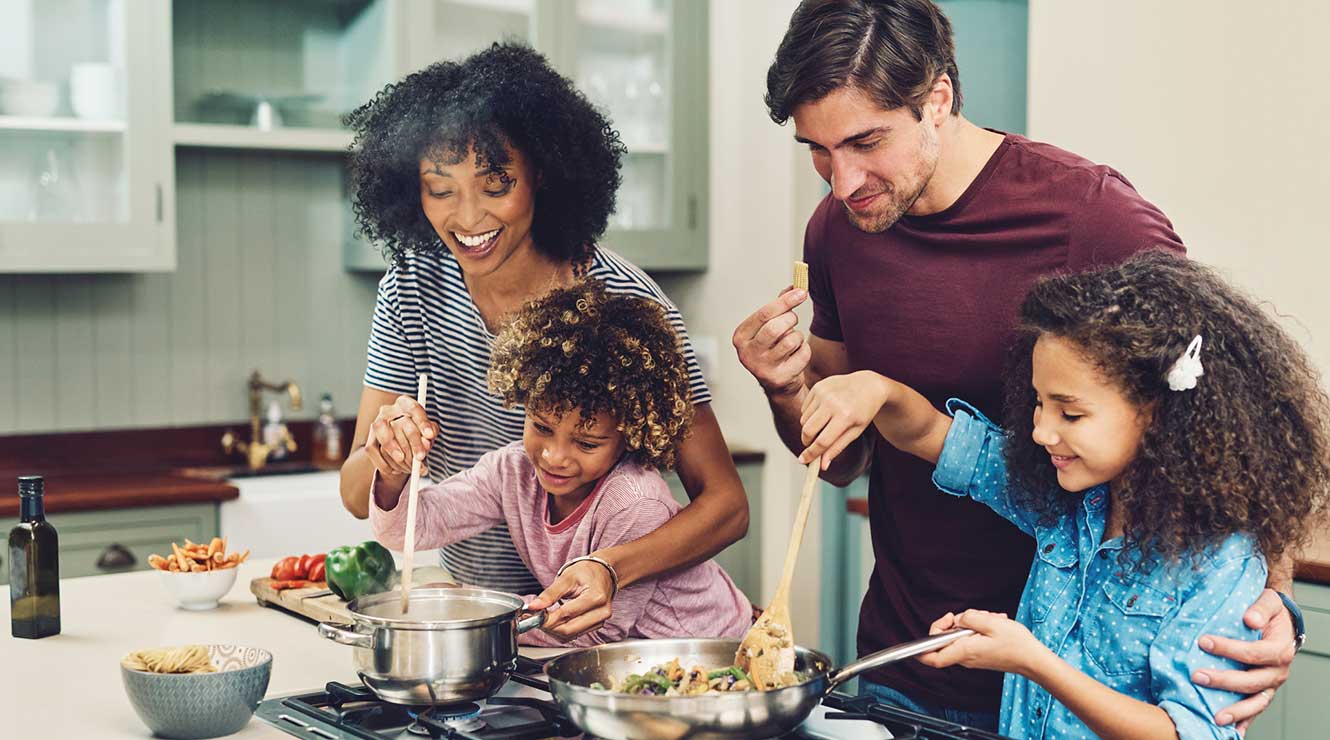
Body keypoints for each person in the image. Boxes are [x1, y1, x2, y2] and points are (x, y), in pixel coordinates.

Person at [734, 0, 1296, 729]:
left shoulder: (1093, 216)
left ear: (937, 98)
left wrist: (1269, 603)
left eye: (866, 142)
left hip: (1093, 690)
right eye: (817, 150)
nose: (842, 183)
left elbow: (1226, 422)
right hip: (906, 660)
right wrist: (785, 389)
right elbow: (846, 461)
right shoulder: (837, 232)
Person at [796, 250, 1330, 739]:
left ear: (1157, 416)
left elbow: (1185, 733)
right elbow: (931, 435)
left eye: (1070, 413)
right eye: (1037, 404)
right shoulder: (1062, 501)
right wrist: (877, 389)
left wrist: (1031, 660)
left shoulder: (1217, 563)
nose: (1042, 432)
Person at [341, 42, 748, 640]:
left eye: (496, 183)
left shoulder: (626, 305)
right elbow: (359, 495)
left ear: (543, 176)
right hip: (487, 620)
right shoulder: (411, 287)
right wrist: (388, 456)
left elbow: (726, 506)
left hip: (595, 631)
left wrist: (609, 566)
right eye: (441, 188)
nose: (468, 216)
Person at [370, 282, 753, 646]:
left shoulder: (634, 501)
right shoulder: (513, 472)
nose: (554, 456)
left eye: (586, 443)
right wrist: (393, 472)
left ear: (630, 434)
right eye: (541, 426)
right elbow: (409, 529)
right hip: (631, 654)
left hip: (709, 645)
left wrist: (470, 608)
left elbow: (594, 630)